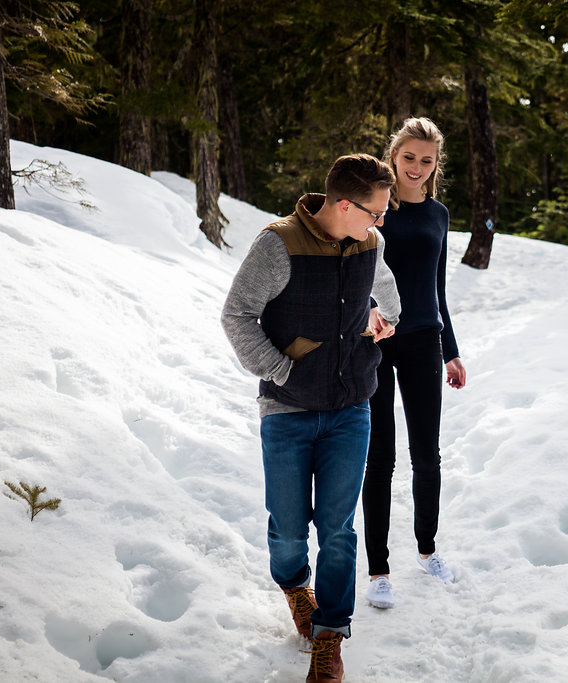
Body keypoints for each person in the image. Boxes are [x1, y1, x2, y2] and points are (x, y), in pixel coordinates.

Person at [221, 154, 401, 682]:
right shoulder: (277, 245)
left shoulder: (371, 242)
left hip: (351, 407)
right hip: (288, 411)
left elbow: (389, 298)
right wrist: (278, 369)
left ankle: (331, 634)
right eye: (376, 211)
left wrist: (382, 320)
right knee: (288, 531)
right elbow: (236, 316)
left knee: (339, 529)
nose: (381, 221)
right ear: (345, 205)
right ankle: (296, 584)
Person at [361, 117, 467, 610]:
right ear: (393, 155)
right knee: (380, 458)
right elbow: (356, 273)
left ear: (435, 164)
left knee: (428, 455)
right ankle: (379, 569)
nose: (417, 168)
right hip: (376, 342)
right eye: (409, 158)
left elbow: (437, 288)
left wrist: (451, 349)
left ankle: (427, 549)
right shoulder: (374, 210)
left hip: (424, 339)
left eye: (427, 161)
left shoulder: (439, 215)